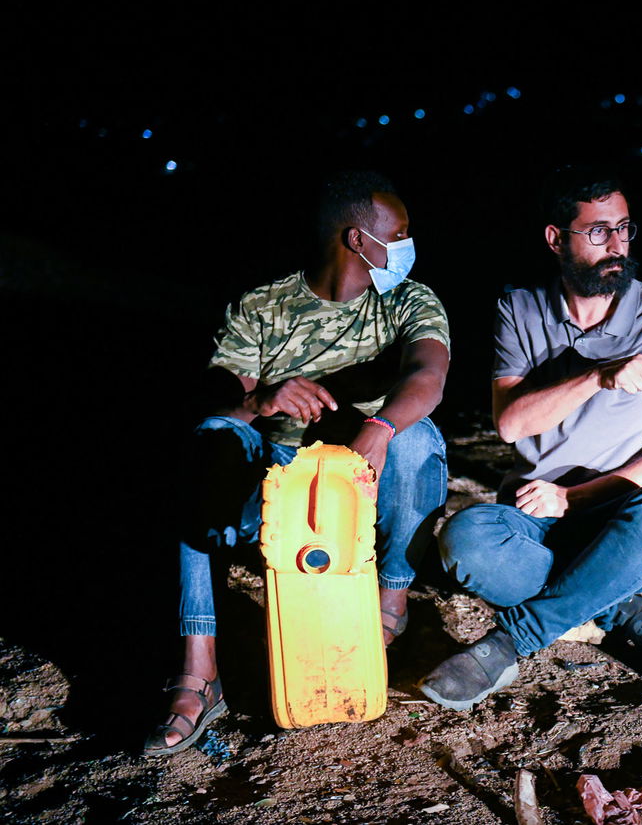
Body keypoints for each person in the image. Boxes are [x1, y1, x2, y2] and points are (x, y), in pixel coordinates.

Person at [144, 171, 451, 756]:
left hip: (367, 463)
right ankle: (198, 668)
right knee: (209, 439)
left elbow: (427, 375)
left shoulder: (409, 300)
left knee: (416, 439)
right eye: (401, 233)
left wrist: (380, 426)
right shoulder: (263, 306)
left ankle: (388, 601)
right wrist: (259, 400)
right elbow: (217, 395)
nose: (410, 246)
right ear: (359, 239)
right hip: (278, 467)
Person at [420, 174, 642, 711]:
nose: (617, 245)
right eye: (598, 232)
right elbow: (511, 424)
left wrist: (573, 499)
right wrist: (596, 376)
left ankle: (511, 641)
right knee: (467, 537)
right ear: (556, 239)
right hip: (536, 519)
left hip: (625, 520)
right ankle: (622, 609)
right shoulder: (521, 311)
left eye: (623, 229)